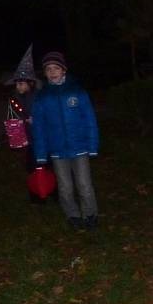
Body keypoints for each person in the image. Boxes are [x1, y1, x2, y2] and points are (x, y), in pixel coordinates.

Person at [31, 51, 100, 230]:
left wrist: (92, 145)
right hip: (58, 151)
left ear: (64, 70)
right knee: (65, 188)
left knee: (84, 184)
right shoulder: (42, 97)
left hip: (80, 147)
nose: (52, 72)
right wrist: (40, 155)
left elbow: (90, 120)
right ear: (44, 73)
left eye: (56, 68)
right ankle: (73, 215)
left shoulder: (77, 92)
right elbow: (39, 128)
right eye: (48, 69)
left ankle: (90, 214)